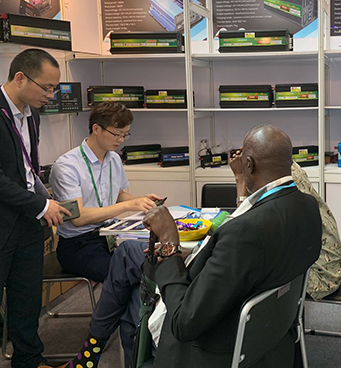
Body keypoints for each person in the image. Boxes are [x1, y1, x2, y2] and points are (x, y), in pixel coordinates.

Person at [59, 124, 322, 368]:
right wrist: (191, 252)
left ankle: (92, 350)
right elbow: (242, 246)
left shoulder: (244, 235)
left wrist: (170, 243)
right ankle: (92, 350)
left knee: (132, 296)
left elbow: (184, 322)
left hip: (210, 346)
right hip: (268, 337)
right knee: (130, 261)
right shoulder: (306, 207)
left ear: (249, 164)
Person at [0, 49, 71, 368]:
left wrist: (47, 202)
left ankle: (29, 360)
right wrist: (40, 205)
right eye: (46, 87)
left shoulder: (32, 116)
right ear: (20, 78)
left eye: (54, 88)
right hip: (4, 222)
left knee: (26, 298)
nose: (51, 95)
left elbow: (27, 171)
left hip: (28, 222)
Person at [49, 102, 161, 282]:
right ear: (96, 129)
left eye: (125, 135)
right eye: (117, 134)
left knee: (155, 263)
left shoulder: (113, 158)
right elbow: (78, 218)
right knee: (127, 276)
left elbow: (118, 196)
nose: (121, 140)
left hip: (110, 234)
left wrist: (141, 200)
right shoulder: (67, 166)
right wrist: (128, 205)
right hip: (79, 244)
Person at [230, 152, 341, 300]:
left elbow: (242, 232)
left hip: (321, 274)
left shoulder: (278, 183)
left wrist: (240, 179)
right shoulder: (284, 168)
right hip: (328, 263)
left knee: (244, 270)